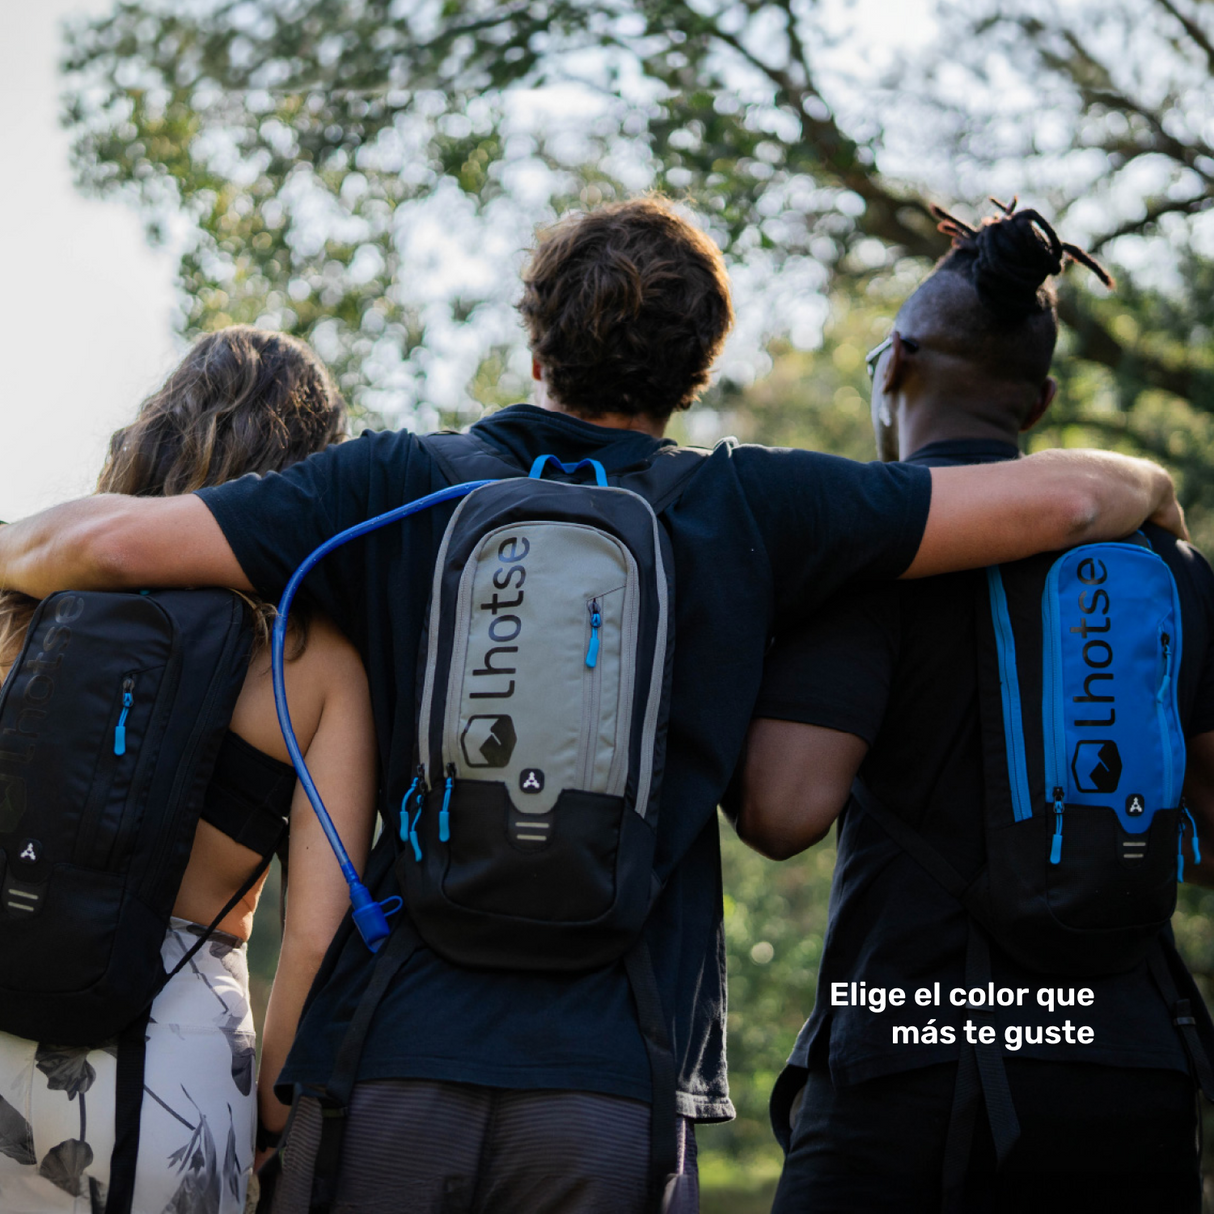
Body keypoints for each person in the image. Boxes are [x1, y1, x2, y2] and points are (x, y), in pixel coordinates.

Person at [0, 195, 1190, 1214]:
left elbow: (93, 540)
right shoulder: (755, 508)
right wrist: (1150, 483)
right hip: (610, 1085)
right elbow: (1063, 504)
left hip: (389, 1064)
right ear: (700, 365)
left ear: (535, 346)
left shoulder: (395, 482)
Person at [733, 201, 1214, 1212]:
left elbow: (785, 806)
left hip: (908, 1057)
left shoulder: (866, 557)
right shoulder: (1165, 565)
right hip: (1124, 1056)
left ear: (893, 365)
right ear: (1036, 401)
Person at [0, 326, 377, 1214]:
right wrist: (273, 1113)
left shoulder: (31, 614)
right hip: (172, 1063)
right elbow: (318, 941)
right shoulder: (313, 657)